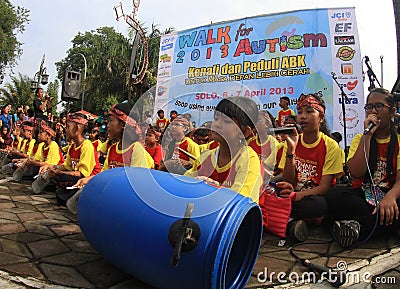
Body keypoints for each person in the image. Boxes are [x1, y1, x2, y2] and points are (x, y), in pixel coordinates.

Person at [325, 88, 400, 248]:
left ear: (392, 111)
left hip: (390, 195)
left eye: (379, 106)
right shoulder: (361, 138)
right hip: (365, 196)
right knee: (334, 194)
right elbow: (357, 172)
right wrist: (367, 136)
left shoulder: (399, 140)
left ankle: (356, 227)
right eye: (369, 107)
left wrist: (390, 198)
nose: (373, 111)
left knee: (395, 207)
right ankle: (386, 224)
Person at [280, 93, 343, 241]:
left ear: (321, 117)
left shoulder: (330, 145)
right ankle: (301, 222)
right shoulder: (292, 141)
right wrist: (291, 150)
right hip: (293, 195)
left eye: (309, 112)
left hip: (312, 198)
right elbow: (288, 179)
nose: (302, 116)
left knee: (320, 205)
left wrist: (296, 196)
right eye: (300, 112)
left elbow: (324, 188)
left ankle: (289, 220)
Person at [70, 103, 154, 210]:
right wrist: (87, 180)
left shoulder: (135, 149)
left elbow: (137, 184)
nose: (108, 125)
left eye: (111, 121)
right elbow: (104, 174)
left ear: (123, 125)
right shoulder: (112, 149)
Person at [184, 97, 262, 203]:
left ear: (244, 132)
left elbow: (239, 202)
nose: (217, 124)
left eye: (226, 121)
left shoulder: (248, 159)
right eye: (216, 118)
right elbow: (184, 184)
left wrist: (213, 189)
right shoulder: (205, 157)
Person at [36, 113, 101, 200]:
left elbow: (82, 174)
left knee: (62, 188)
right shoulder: (72, 146)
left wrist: (60, 173)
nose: (65, 130)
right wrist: (50, 167)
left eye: (68, 127)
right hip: (76, 177)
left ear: (77, 128)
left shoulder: (87, 146)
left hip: (88, 180)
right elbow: (66, 166)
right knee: (60, 191)